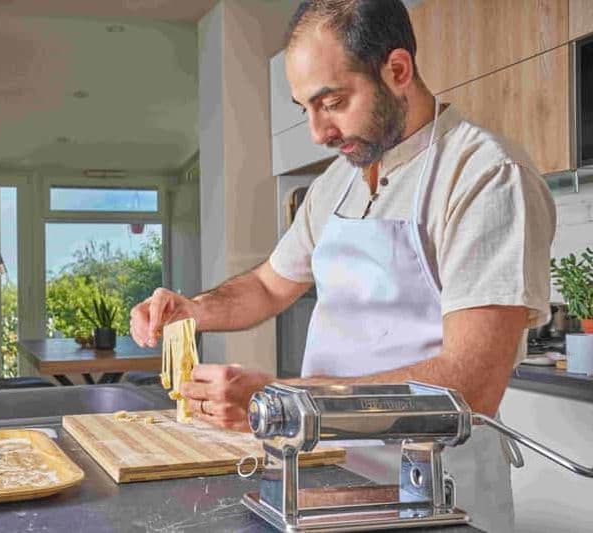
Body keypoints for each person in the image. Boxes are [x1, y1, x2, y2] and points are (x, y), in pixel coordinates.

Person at [130, 1, 556, 531]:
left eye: (331, 102)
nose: (317, 133)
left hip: (432, 496)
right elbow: (267, 285)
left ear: (397, 70)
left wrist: (281, 400)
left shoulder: (486, 175)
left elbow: (470, 385)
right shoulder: (336, 184)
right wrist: (191, 310)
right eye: (304, 109)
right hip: (324, 479)